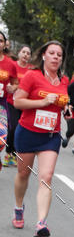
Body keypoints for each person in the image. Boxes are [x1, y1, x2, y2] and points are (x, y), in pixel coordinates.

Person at [12, 40, 70, 237]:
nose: (55, 57)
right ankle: (19, 208)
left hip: (50, 137)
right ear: (44, 55)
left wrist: (66, 108)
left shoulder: (64, 81)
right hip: (27, 133)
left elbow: (63, 104)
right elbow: (17, 101)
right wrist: (43, 101)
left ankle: (41, 223)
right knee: (23, 175)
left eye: (59, 55)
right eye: (52, 53)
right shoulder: (32, 76)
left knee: (46, 177)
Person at [4, 43, 30, 166]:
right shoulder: (12, 65)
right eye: (24, 52)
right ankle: (9, 152)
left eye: (28, 53)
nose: (25, 55)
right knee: (13, 127)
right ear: (19, 53)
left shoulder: (31, 70)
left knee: (20, 129)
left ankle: (14, 153)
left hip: (24, 104)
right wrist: (10, 87)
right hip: (11, 102)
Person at [0, 31, 18, 168]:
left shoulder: (10, 64)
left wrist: (13, 88)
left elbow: (15, 82)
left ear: (4, 44)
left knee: (2, 136)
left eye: (0, 40)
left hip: (2, 104)